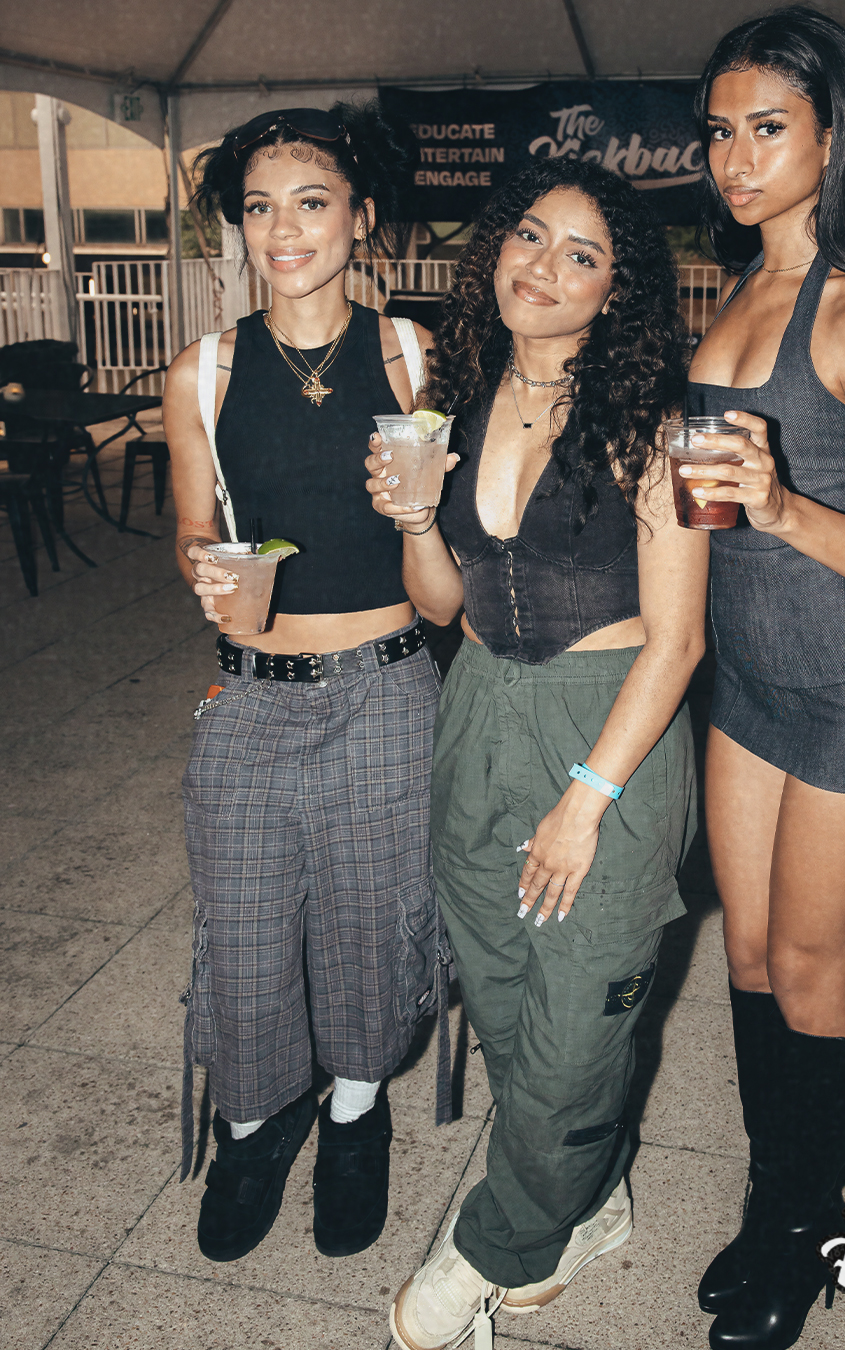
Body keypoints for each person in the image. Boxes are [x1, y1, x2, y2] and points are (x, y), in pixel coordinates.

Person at [364, 157, 707, 1350]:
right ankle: (590, 1196)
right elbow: (438, 604)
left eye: (582, 254)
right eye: (528, 236)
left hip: (610, 729)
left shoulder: (658, 424)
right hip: (477, 711)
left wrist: (586, 799)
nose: (544, 266)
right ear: (493, 252)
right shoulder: (453, 403)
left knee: (577, 1018)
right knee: (504, 990)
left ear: (617, 290)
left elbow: (679, 640)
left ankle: (495, 1246)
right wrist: (415, 518)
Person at [681, 10, 845, 1349]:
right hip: (749, 684)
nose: (735, 158)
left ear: (833, 141)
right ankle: (771, 1190)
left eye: (767, 129)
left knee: (810, 967)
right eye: (719, 132)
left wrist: (784, 509)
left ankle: (798, 1231)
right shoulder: (734, 293)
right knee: (743, 951)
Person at [164, 102, 442, 1265]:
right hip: (252, 694)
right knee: (242, 926)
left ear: (360, 216)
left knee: (372, 924)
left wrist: (422, 516)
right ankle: (253, 1123)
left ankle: (355, 1116)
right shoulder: (203, 371)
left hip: (386, 683)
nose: (284, 230)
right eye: (260, 208)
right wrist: (206, 567)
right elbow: (193, 525)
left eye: (311, 202)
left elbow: (454, 564)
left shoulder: (414, 354)